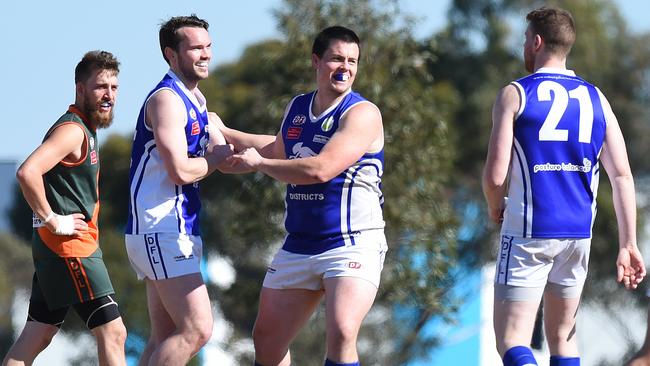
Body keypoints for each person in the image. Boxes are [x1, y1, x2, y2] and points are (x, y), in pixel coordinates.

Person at [482, 7, 646, 366]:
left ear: (537, 42)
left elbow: (495, 177)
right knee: (563, 340)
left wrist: (496, 205)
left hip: (529, 229)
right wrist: (628, 243)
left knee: (511, 339)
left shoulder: (515, 93)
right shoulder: (596, 97)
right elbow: (621, 176)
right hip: (577, 234)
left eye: (526, 39)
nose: (524, 46)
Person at [217, 25, 386, 366]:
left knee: (341, 332)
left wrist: (260, 164)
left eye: (352, 61)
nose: (345, 68)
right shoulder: (298, 107)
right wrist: (224, 133)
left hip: (352, 242)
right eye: (337, 58)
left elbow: (320, 169)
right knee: (267, 341)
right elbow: (281, 148)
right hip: (301, 243)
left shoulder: (362, 113)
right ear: (316, 61)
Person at [3, 51, 126, 366]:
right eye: (100, 87)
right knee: (114, 333)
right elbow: (27, 171)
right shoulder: (72, 130)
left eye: (114, 87)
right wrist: (53, 220)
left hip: (59, 250)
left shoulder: (85, 128)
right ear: (80, 88)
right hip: (70, 250)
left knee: (38, 333)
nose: (108, 95)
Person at [124, 14, 233, 366]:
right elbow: (181, 169)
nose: (205, 55)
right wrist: (215, 160)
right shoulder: (167, 100)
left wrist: (295, 148)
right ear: (172, 55)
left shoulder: (196, 100)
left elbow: (234, 150)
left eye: (208, 47)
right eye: (196, 48)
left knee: (164, 337)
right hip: (161, 228)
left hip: (174, 229)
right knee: (197, 330)